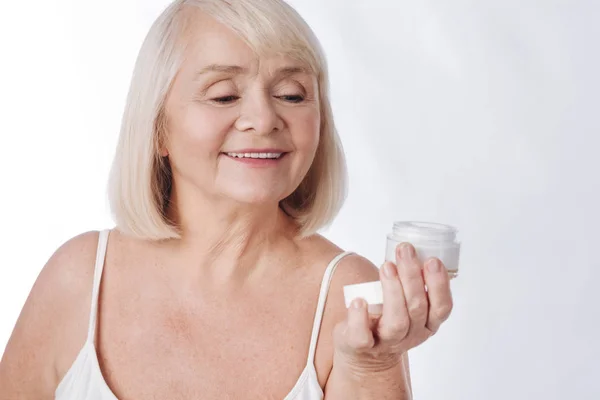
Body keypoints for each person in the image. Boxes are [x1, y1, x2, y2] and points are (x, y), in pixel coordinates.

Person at [0, 0, 454, 398]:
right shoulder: (79, 278)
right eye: (223, 95)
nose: (263, 118)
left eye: (291, 94)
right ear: (158, 128)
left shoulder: (348, 295)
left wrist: (371, 367)